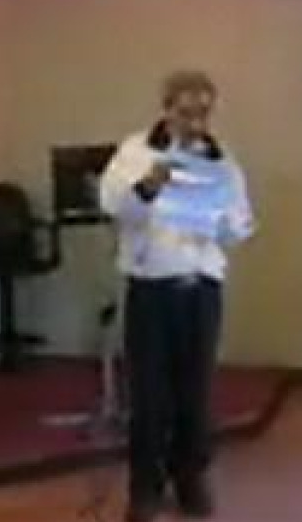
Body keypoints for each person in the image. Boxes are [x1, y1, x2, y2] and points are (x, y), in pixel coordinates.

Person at [99, 70, 256, 521]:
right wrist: (147, 188)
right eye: (186, 113)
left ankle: (190, 479)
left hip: (201, 288)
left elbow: (241, 225)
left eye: (203, 113)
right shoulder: (135, 152)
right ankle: (145, 490)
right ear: (166, 109)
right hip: (152, 287)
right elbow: (112, 205)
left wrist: (222, 222)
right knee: (149, 395)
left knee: (195, 391)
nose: (195, 123)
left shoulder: (222, 162)